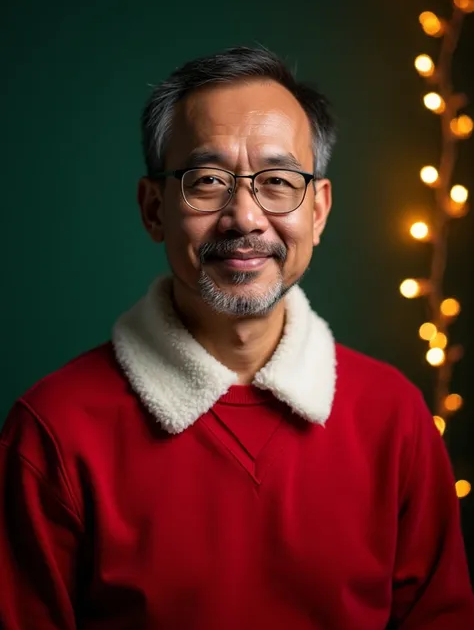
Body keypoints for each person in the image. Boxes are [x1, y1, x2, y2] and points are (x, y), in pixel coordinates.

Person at [0, 46, 473, 630]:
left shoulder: (393, 416)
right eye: (207, 181)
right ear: (154, 209)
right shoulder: (52, 431)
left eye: (277, 181)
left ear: (319, 212)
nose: (245, 217)